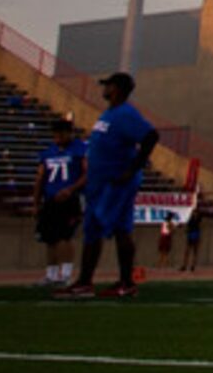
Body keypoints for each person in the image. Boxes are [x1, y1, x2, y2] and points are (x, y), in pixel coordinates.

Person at [57, 73, 157, 299]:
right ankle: (87, 281)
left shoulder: (125, 114)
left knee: (118, 229)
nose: (105, 88)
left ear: (118, 89)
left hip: (115, 182)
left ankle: (124, 281)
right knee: (94, 229)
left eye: (109, 85)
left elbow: (151, 136)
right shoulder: (109, 114)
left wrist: (132, 169)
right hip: (100, 183)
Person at [35, 117, 85, 286]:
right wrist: (36, 202)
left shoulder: (79, 149)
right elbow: (40, 178)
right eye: (55, 135)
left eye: (61, 134)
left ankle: (66, 274)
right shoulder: (49, 152)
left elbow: (88, 173)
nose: (57, 138)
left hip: (69, 200)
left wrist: (71, 189)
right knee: (50, 238)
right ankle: (51, 274)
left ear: (69, 133)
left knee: (65, 236)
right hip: (50, 200)